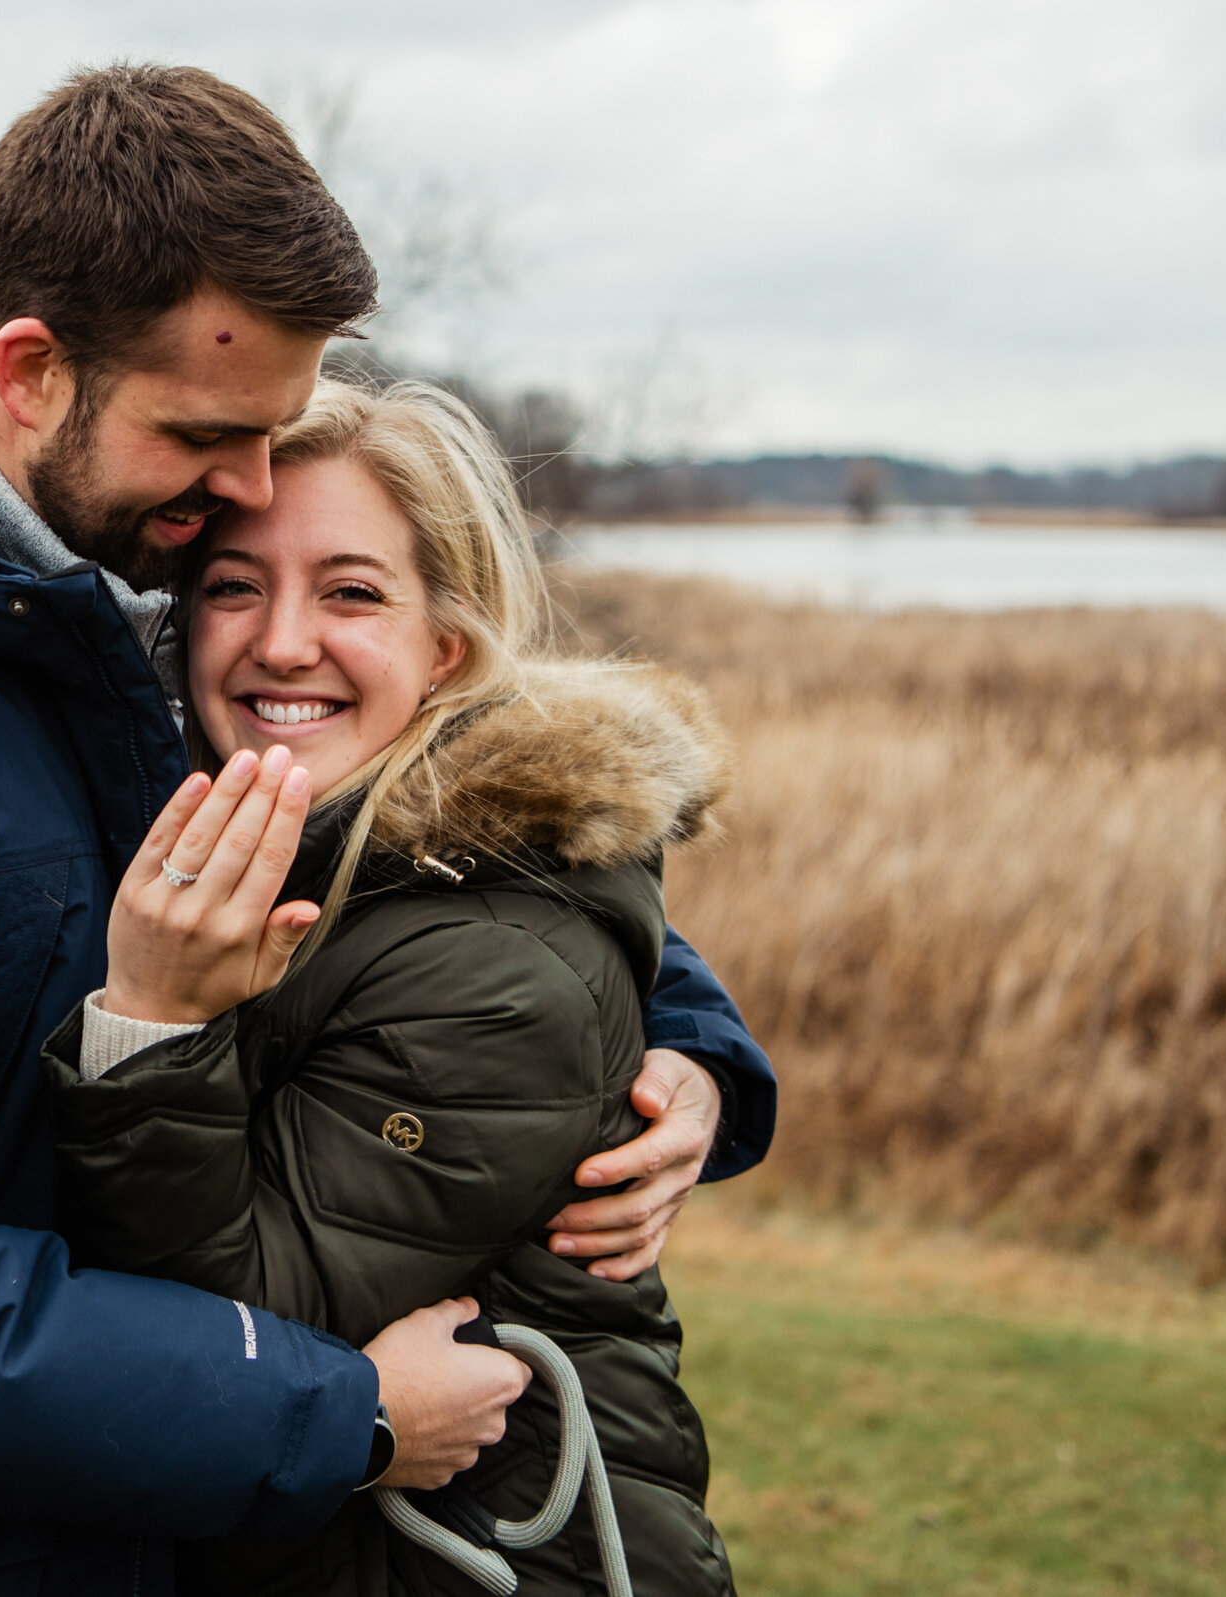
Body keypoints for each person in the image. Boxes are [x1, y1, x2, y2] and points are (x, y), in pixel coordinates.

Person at [0, 64, 774, 1594]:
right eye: (210, 432)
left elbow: (425, 845)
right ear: (31, 371)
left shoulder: (122, 588)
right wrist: (345, 1413)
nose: (248, 489)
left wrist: (685, 1043)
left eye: (276, 432)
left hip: (107, 1525)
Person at [47, 379, 737, 1595]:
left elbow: (237, 1333)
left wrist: (150, 1023)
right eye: (234, 584)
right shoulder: (256, 840)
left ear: (446, 652)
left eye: (352, 590)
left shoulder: (496, 959)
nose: (281, 640)